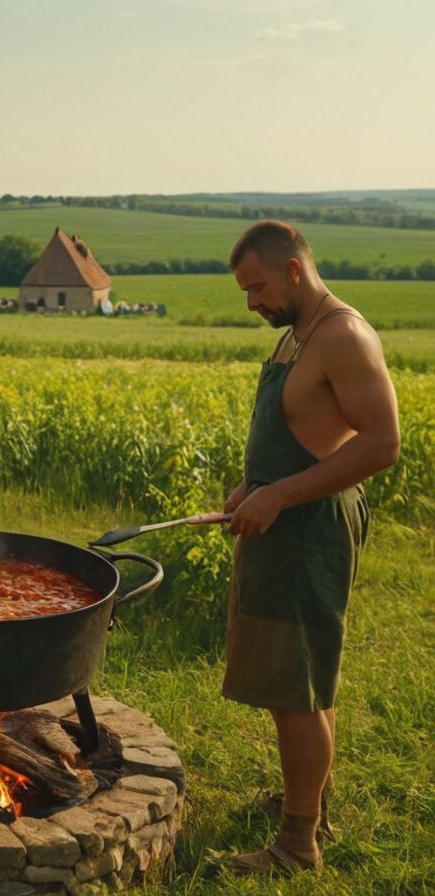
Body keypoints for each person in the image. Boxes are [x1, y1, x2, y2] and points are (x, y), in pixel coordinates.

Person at [221, 221, 399, 874]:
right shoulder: (295, 335)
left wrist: (279, 497)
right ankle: (307, 798)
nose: (251, 302)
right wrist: (249, 488)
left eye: (257, 286)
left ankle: (298, 845)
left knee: (297, 688)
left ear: (294, 269)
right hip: (279, 522)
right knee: (286, 681)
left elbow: (381, 445)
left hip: (308, 531)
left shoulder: (342, 336)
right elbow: (303, 432)